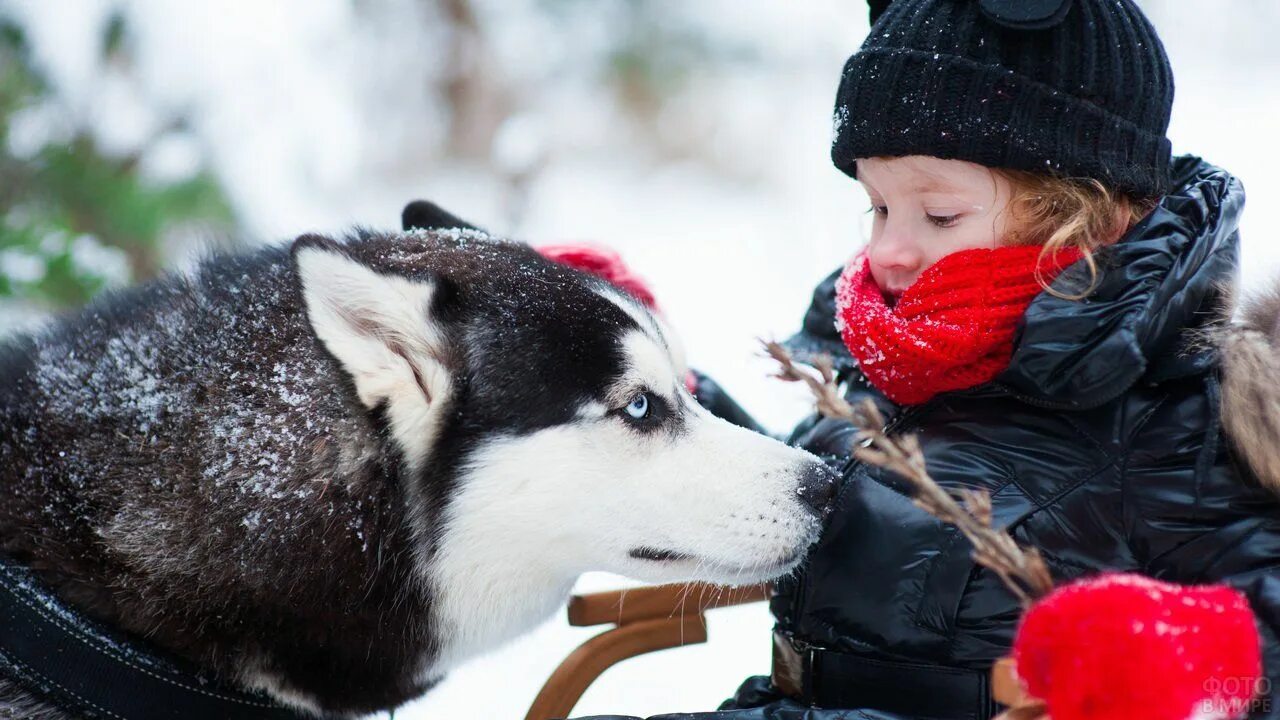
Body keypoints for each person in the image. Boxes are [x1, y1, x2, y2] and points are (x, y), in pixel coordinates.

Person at [586, 0, 1280, 718]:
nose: (886, 250)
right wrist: (660, 393)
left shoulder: (1180, 422)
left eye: (938, 214)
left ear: (1088, 217)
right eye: (877, 208)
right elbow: (839, 506)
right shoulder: (900, 361)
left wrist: (1213, 656)